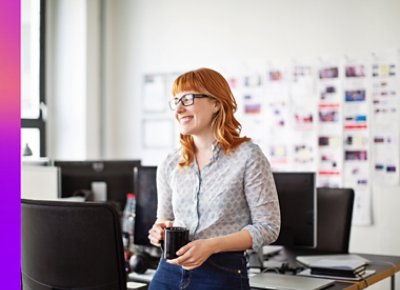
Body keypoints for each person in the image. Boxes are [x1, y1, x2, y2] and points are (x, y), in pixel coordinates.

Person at [148, 68, 280, 290]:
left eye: (188, 99)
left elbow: (268, 227)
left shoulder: (248, 156)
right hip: (168, 271)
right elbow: (165, 219)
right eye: (176, 101)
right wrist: (158, 230)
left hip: (221, 272)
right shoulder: (170, 162)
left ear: (216, 103)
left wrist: (211, 245)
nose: (179, 109)